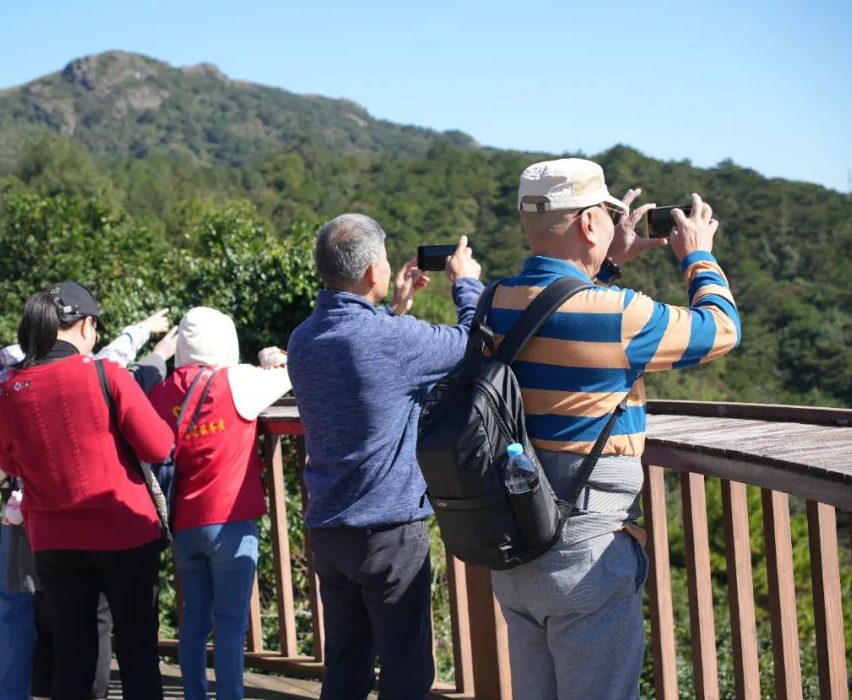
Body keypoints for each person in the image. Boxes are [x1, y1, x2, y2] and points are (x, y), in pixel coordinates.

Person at [489, 158, 741, 699]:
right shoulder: (616, 314)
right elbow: (721, 329)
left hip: (512, 550)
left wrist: (603, 266)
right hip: (584, 555)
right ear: (587, 223)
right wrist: (697, 252)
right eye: (608, 212)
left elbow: (556, 312)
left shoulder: (495, 303)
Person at [287, 214, 483, 700]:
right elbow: (473, 343)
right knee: (406, 673)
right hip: (389, 535)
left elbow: (368, 371)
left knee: (347, 670)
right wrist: (468, 284)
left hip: (330, 529)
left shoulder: (303, 339)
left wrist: (395, 307)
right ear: (373, 270)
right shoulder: (391, 340)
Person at [0, 281, 175, 700]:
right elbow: (159, 446)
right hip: (124, 532)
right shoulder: (104, 373)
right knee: (138, 653)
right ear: (87, 326)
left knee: (72, 655)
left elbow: (9, 464)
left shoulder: (5, 388)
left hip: (54, 540)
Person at [147, 307, 291, 700]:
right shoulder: (238, 381)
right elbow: (291, 374)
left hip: (184, 525)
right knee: (229, 623)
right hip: (231, 521)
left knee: (193, 621)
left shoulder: (162, 391)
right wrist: (269, 359)